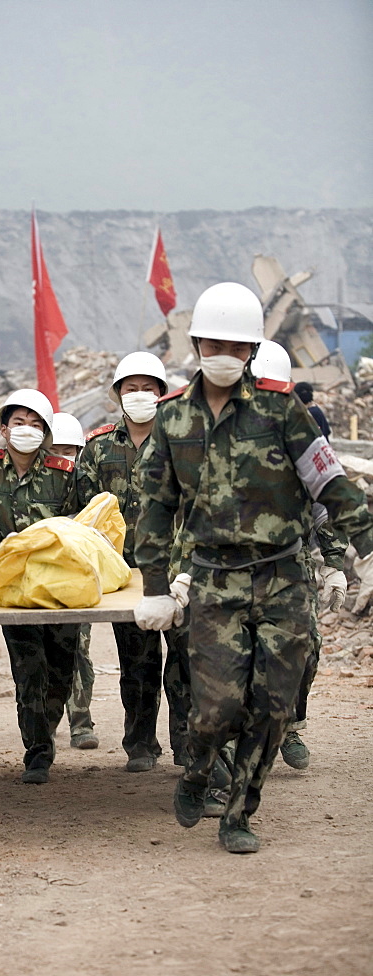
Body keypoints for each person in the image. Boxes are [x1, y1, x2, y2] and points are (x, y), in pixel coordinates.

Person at [133, 282, 373, 853]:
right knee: (217, 707)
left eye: (236, 345)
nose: (224, 353)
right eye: (213, 342)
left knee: (272, 707)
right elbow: (156, 507)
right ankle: (196, 769)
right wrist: (155, 586)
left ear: (251, 350)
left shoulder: (283, 410)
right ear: (195, 344)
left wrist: (368, 542)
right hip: (214, 581)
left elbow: (328, 482)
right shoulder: (172, 422)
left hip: (283, 577)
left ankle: (239, 813)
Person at [0, 388, 79, 783]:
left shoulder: (65, 474)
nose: (26, 430)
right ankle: (37, 752)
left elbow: (78, 528)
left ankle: (46, 726)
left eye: (35, 424)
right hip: (15, 588)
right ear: (3, 428)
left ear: (45, 431)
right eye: (19, 423)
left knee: (62, 672)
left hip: (59, 588)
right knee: (29, 669)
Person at [252, 340, 349, 770]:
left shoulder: (304, 437)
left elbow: (325, 501)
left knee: (305, 647)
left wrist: (333, 564)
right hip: (230, 565)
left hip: (293, 562)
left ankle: (291, 727)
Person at [77, 352, 168, 772]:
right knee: (138, 662)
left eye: (148, 388)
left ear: (162, 395)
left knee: (185, 663)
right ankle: (141, 743)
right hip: (122, 575)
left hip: (173, 569)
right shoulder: (97, 449)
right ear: (117, 394)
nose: (139, 395)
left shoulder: (179, 443)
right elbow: (83, 511)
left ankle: (187, 744)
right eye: (131, 388)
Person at [49, 411, 98, 750]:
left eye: (71, 450)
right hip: (42, 579)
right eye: (57, 449)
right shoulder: (39, 483)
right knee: (45, 656)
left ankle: (81, 724)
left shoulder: (87, 483)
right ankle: (44, 726)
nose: (64, 457)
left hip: (78, 577)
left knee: (79, 650)